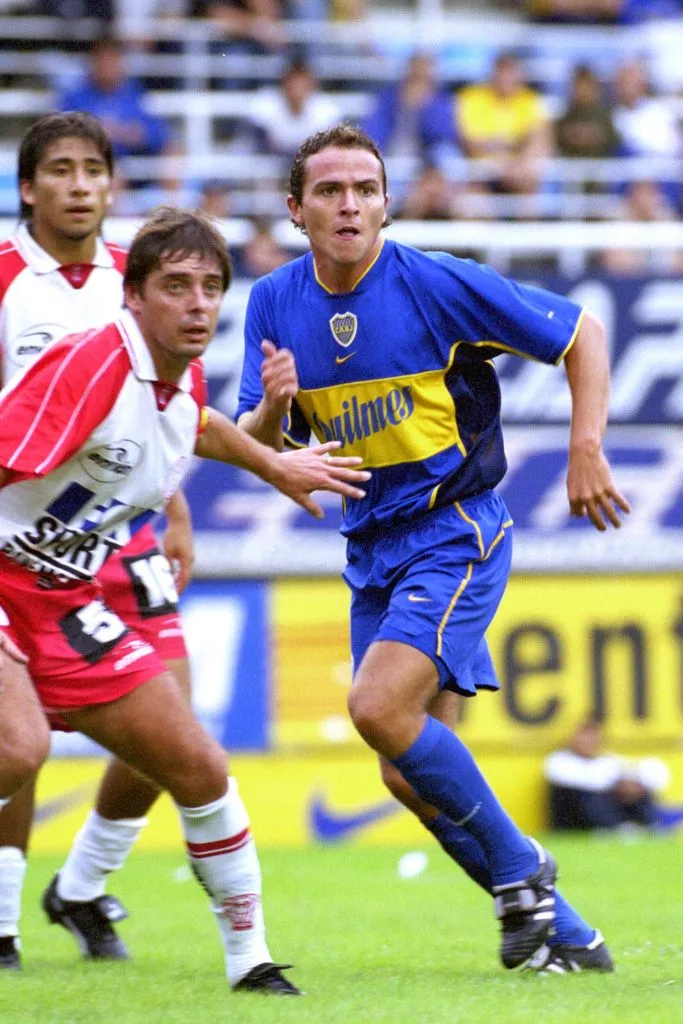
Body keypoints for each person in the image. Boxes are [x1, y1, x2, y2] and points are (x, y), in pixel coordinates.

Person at [236, 123, 630, 975]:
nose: (349, 204)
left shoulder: (434, 284)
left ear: (386, 201)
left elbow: (581, 335)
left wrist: (584, 445)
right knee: (404, 775)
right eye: (330, 191)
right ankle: (568, 939)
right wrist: (272, 417)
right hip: (371, 547)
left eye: (364, 189)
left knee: (376, 709)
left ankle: (521, 870)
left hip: (454, 530)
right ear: (295, 209)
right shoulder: (272, 301)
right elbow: (257, 443)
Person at [0, 203, 369, 993]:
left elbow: (193, 422)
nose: (198, 302)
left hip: (65, 599)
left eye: (210, 286)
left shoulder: (177, 375)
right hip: (3, 581)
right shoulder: (92, 362)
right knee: (19, 749)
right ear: (131, 296)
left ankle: (251, 965)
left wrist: (275, 461)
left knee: (198, 765)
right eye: (175, 286)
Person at [0, 111, 190, 970]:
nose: (80, 185)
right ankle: (2, 921)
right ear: (29, 187)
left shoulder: (134, 276)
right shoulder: (5, 279)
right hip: (23, 536)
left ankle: (79, 885)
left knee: (171, 724)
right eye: (61, 170)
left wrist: (176, 506)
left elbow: (170, 402)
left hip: (123, 532)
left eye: (93, 169)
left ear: (112, 183)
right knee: (19, 732)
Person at [545, 720, 672, 831]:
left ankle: (651, 825)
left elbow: (653, 772)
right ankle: (615, 827)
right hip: (573, 821)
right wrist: (619, 783)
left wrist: (631, 785)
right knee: (591, 797)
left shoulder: (607, 760)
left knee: (640, 789)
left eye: (593, 739)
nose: (588, 743)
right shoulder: (558, 760)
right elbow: (590, 782)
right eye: (584, 739)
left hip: (606, 804)